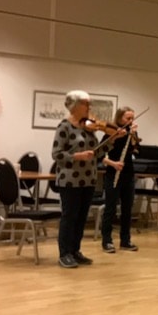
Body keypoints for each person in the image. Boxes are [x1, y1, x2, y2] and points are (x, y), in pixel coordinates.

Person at [53, 90, 124, 269]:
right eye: (86, 103)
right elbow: (56, 154)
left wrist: (112, 139)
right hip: (70, 180)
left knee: (81, 218)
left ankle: (75, 250)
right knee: (69, 217)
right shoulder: (64, 126)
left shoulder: (88, 128)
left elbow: (97, 153)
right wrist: (77, 156)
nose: (89, 107)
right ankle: (64, 253)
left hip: (88, 179)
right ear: (75, 106)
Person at [99, 106, 140, 254]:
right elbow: (99, 155)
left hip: (128, 173)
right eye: (127, 118)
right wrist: (113, 164)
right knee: (110, 208)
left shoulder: (131, 132)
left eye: (132, 118)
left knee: (127, 208)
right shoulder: (111, 132)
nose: (130, 121)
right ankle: (107, 240)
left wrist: (133, 136)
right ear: (119, 118)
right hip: (113, 172)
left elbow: (137, 150)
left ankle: (125, 240)